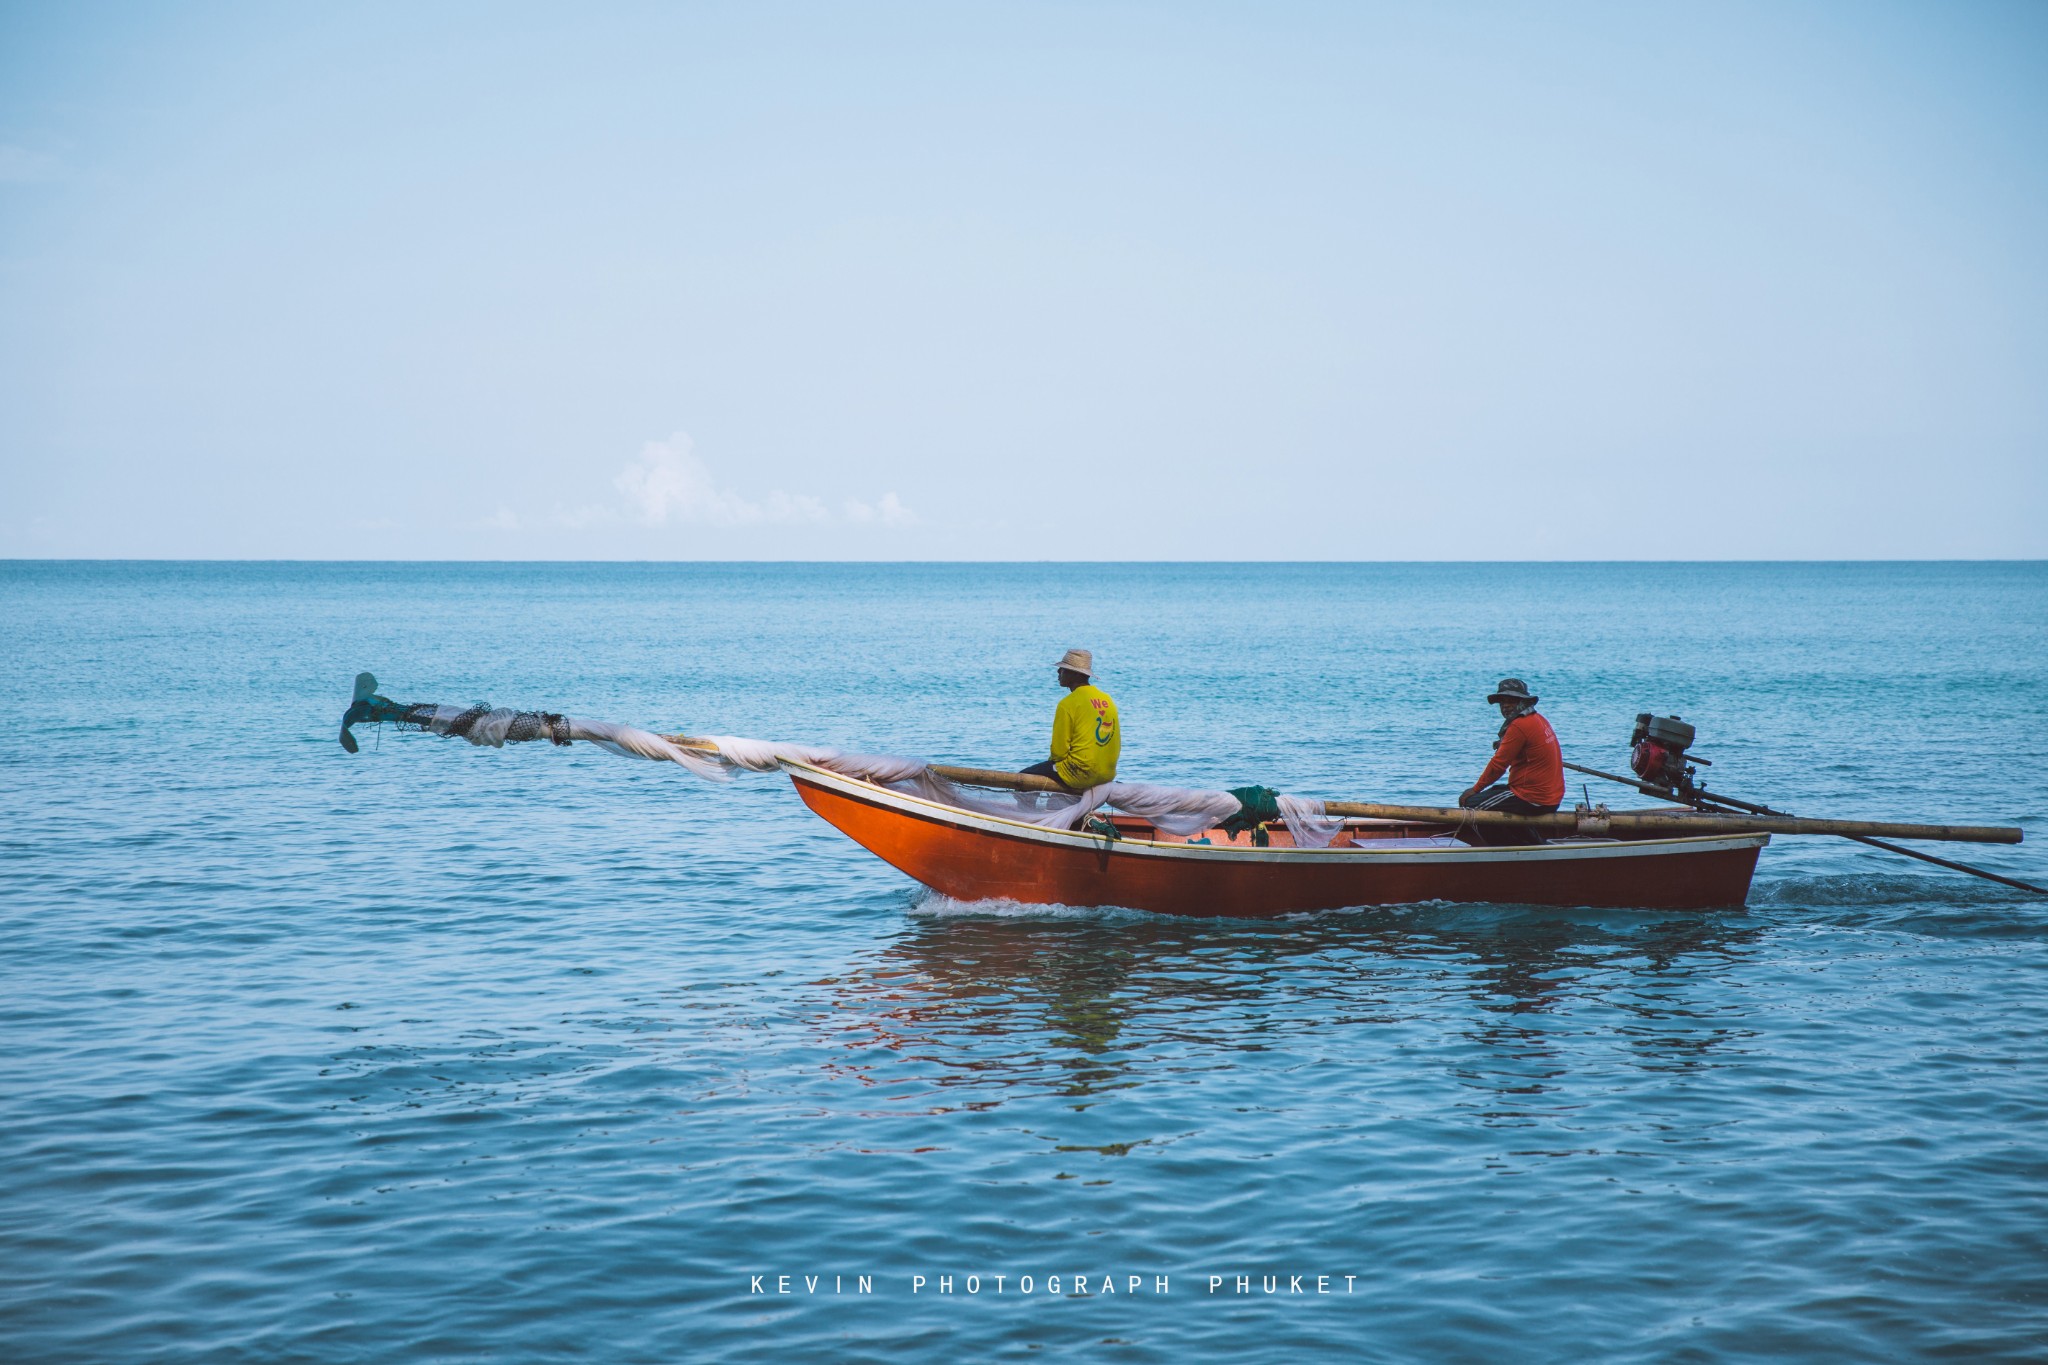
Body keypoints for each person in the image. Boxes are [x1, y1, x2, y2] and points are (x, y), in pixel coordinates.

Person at [1458, 677, 1564, 843]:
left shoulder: (1519, 726)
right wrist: (1504, 743)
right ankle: (1535, 845)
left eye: (1512, 701)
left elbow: (1498, 766)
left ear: (1522, 702)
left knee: (1472, 805)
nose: (1506, 706)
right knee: (1496, 793)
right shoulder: (1538, 719)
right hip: (1551, 796)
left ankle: (1507, 850)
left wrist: (1475, 789)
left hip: (1534, 798)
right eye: (1502, 702)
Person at [1019, 648, 1121, 792]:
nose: (1058, 672)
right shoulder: (1107, 699)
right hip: (1107, 774)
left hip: (1079, 773)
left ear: (1074, 674)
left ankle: (1028, 813)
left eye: (1063, 669)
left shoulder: (1067, 704)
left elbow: (1058, 752)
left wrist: (1050, 766)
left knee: (1024, 777)